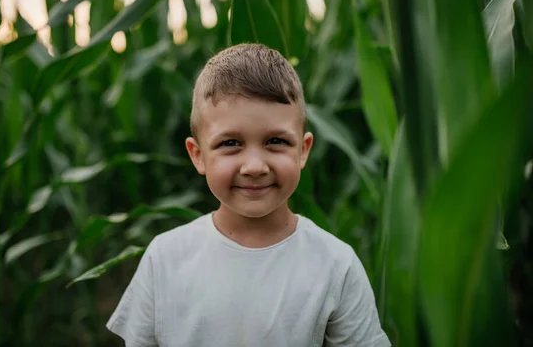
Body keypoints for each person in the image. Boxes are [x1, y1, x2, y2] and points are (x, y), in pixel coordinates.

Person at [106, 43, 391, 347]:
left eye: (276, 141)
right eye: (230, 144)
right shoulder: (164, 259)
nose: (254, 166)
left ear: (303, 150)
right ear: (198, 154)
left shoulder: (335, 265)